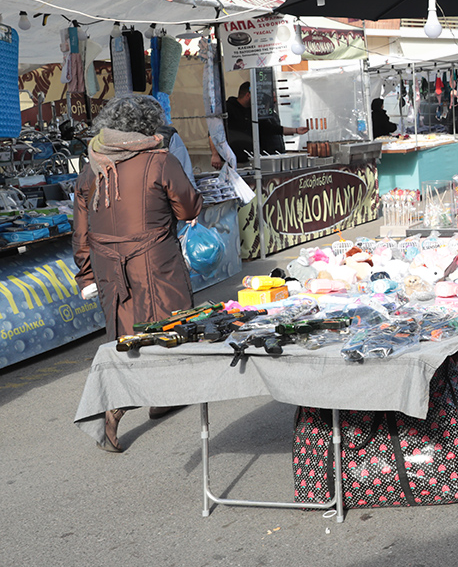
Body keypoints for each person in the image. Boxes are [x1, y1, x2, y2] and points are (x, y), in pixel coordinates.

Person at [73, 95, 204, 454]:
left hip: (109, 267)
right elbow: (188, 205)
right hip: (155, 263)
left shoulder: (92, 166)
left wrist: (86, 275)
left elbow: (81, 234)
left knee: (127, 339)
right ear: (146, 128)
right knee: (169, 331)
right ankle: (116, 407)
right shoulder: (159, 161)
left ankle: (160, 398)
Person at [224, 82, 308, 162]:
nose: (258, 100)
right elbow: (216, 132)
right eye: (256, 96)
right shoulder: (228, 109)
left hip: (251, 158)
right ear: (248, 95)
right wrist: (216, 155)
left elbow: (270, 128)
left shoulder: (253, 112)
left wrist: (295, 130)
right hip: (232, 158)